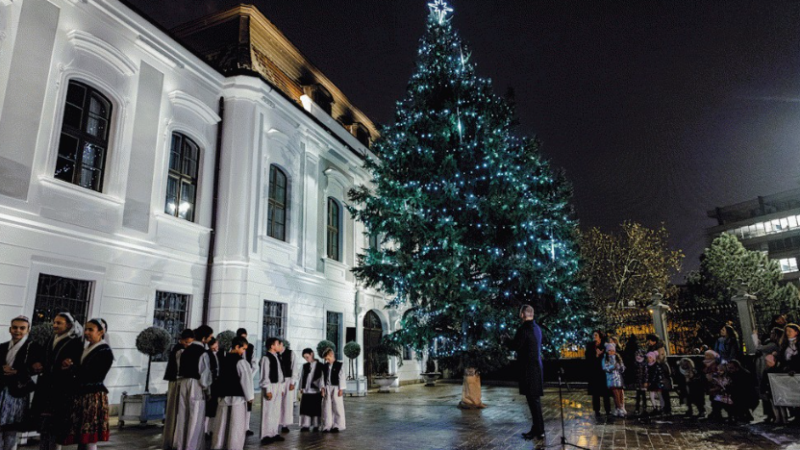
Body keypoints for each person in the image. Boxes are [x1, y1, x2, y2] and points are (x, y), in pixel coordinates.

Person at [32, 312, 84, 450]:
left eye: (59, 323)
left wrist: (71, 365)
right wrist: (37, 364)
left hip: (61, 390)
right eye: (54, 322)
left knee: (56, 427)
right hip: (46, 387)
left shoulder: (75, 342)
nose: (55, 325)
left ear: (68, 325)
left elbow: (79, 365)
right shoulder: (51, 339)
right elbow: (43, 357)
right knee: (44, 426)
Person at [60, 318, 114, 449]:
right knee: (82, 437)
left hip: (92, 396)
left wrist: (72, 367)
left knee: (89, 437)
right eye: (86, 329)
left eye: (91, 329)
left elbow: (93, 374)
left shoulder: (104, 351)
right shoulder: (87, 348)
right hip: (82, 395)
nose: (87, 332)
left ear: (101, 332)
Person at [0, 316, 43, 450]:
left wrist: (17, 372)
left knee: (12, 429)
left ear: (28, 330)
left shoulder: (34, 347)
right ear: (10, 329)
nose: (17, 331)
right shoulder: (2, 346)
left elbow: (37, 368)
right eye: (15, 327)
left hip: (18, 392)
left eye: (22, 328)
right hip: (1, 391)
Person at [172, 325, 214, 450]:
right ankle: (192, 446)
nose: (210, 339)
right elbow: (204, 375)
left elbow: (179, 368)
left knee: (183, 416)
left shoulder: (183, 351)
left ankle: (181, 445)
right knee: (195, 417)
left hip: (184, 383)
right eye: (210, 337)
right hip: (196, 384)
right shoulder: (203, 353)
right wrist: (208, 391)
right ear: (204, 338)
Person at [210, 336, 254, 450]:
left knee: (221, 423)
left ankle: (218, 445)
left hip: (224, 395)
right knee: (236, 424)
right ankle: (234, 447)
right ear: (237, 347)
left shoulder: (223, 359)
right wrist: (250, 396)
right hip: (237, 397)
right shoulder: (241, 362)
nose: (244, 351)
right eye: (243, 349)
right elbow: (246, 380)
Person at [509, 305, 544, 440]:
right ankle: (537, 429)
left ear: (523, 314)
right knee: (534, 401)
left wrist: (505, 340)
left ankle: (539, 431)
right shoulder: (537, 328)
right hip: (536, 368)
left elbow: (515, 346)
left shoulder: (524, 329)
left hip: (529, 370)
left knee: (533, 401)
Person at [163, 329, 193, 450]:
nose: (188, 345)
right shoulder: (179, 351)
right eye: (186, 342)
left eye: (190, 343)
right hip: (176, 382)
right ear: (181, 341)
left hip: (176, 381)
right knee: (174, 410)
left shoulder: (180, 350)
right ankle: (172, 439)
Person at [752, 327, 782, 423]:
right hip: (763, 370)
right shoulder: (770, 343)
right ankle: (770, 415)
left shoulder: (773, 345)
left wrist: (754, 336)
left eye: (773, 333)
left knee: (768, 393)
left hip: (768, 370)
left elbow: (759, 347)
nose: (771, 335)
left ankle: (773, 415)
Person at [259, 338, 285, 444]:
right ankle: (266, 435)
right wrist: (267, 389)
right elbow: (265, 375)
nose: (280, 346)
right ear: (272, 346)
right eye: (278, 344)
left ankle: (274, 432)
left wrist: (282, 388)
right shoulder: (266, 358)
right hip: (271, 386)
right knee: (268, 411)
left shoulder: (277, 357)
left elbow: (280, 373)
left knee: (276, 411)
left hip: (278, 386)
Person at [585, 330, 611, 418]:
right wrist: (596, 355)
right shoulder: (590, 346)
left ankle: (608, 409)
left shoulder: (605, 345)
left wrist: (602, 354)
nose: (594, 336)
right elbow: (587, 357)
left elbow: (609, 355)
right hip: (594, 371)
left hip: (603, 371)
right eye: (593, 335)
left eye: (596, 335)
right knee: (595, 392)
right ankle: (597, 410)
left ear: (600, 336)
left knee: (605, 392)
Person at [235, 329, 256, 437]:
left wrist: (249, 375)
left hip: (248, 377)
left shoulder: (250, 347)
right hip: (235, 379)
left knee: (248, 403)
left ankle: (246, 427)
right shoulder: (233, 346)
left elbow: (254, 364)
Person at [298, 348, 324, 432]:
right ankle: (305, 425)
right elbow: (301, 377)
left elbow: (323, 378)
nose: (306, 359)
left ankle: (316, 425)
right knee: (305, 408)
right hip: (306, 390)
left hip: (316, 390)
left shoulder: (320, 365)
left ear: (312, 354)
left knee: (316, 408)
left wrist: (322, 388)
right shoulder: (305, 366)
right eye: (305, 357)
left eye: (307, 357)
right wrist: (301, 388)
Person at [321, 348, 345, 433]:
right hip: (327, 387)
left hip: (336, 387)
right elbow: (322, 378)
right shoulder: (324, 367)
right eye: (326, 359)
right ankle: (327, 426)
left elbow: (341, 377)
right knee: (326, 407)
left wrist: (341, 389)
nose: (327, 361)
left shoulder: (339, 365)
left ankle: (337, 425)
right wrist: (322, 388)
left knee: (337, 406)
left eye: (328, 358)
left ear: (332, 355)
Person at [278, 340, 298, 433]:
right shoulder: (275, 354)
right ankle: (276, 422)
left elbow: (294, 367)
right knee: (278, 402)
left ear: (282, 344)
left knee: (287, 403)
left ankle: (285, 424)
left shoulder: (290, 353)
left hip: (288, 379)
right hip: (278, 381)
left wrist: (292, 382)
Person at [602, 343, 626, 417]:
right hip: (611, 379)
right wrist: (612, 367)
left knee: (620, 393)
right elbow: (605, 368)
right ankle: (619, 408)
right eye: (609, 350)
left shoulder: (618, 357)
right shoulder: (605, 358)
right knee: (615, 393)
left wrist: (621, 367)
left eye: (612, 350)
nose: (611, 352)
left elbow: (622, 367)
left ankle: (620, 407)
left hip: (619, 378)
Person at [205, 337, 220, 437]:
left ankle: (211, 429)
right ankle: (206, 429)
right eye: (216, 345)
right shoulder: (207, 354)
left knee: (213, 407)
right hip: (210, 383)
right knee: (209, 408)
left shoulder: (217, 354)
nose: (217, 346)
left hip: (215, 383)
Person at [631, 350, 648, 416]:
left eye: (639, 355)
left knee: (643, 395)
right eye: (637, 356)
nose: (638, 357)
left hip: (643, 382)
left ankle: (644, 407)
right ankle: (637, 408)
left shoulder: (644, 364)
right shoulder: (635, 363)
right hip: (638, 382)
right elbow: (634, 373)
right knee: (638, 396)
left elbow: (646, 374)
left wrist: (646, 381)